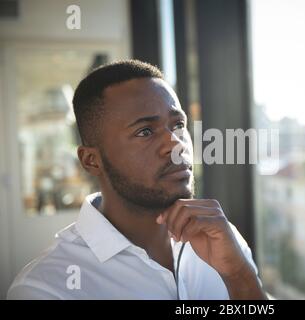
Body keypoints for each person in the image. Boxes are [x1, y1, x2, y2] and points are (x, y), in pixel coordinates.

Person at [7, 60, 267, 300]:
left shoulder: (223, 239)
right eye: (145, 131)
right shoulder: (47, 288)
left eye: (177, 125)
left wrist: (238, 275)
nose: (175, 145)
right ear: (91, 161)